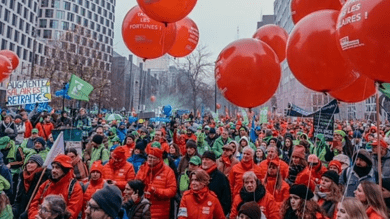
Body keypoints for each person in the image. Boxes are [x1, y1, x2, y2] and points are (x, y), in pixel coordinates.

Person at [28, 155, 83, 219]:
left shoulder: (75, 187)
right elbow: (33, 205)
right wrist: (34, 217)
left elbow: (72, 213)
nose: (53, 170)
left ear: (65, 170)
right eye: (53, 167)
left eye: (57, 168)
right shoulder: (46, 184)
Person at [135, 142, 177, 219]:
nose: (150, 159)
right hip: (142, 209)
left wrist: (156, 191)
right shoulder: (143, 168)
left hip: (160, 212)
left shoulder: (168, 171)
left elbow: (172, 191)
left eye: (152, 158)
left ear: (158, 159)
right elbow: (136, 184)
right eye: (149, 157)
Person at [201, 151, 232, 215]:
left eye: (207, 159)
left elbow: (226, 199)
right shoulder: (197, 175)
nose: (204, 161)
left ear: (213, 162)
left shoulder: (221, 178)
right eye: (203, 159)